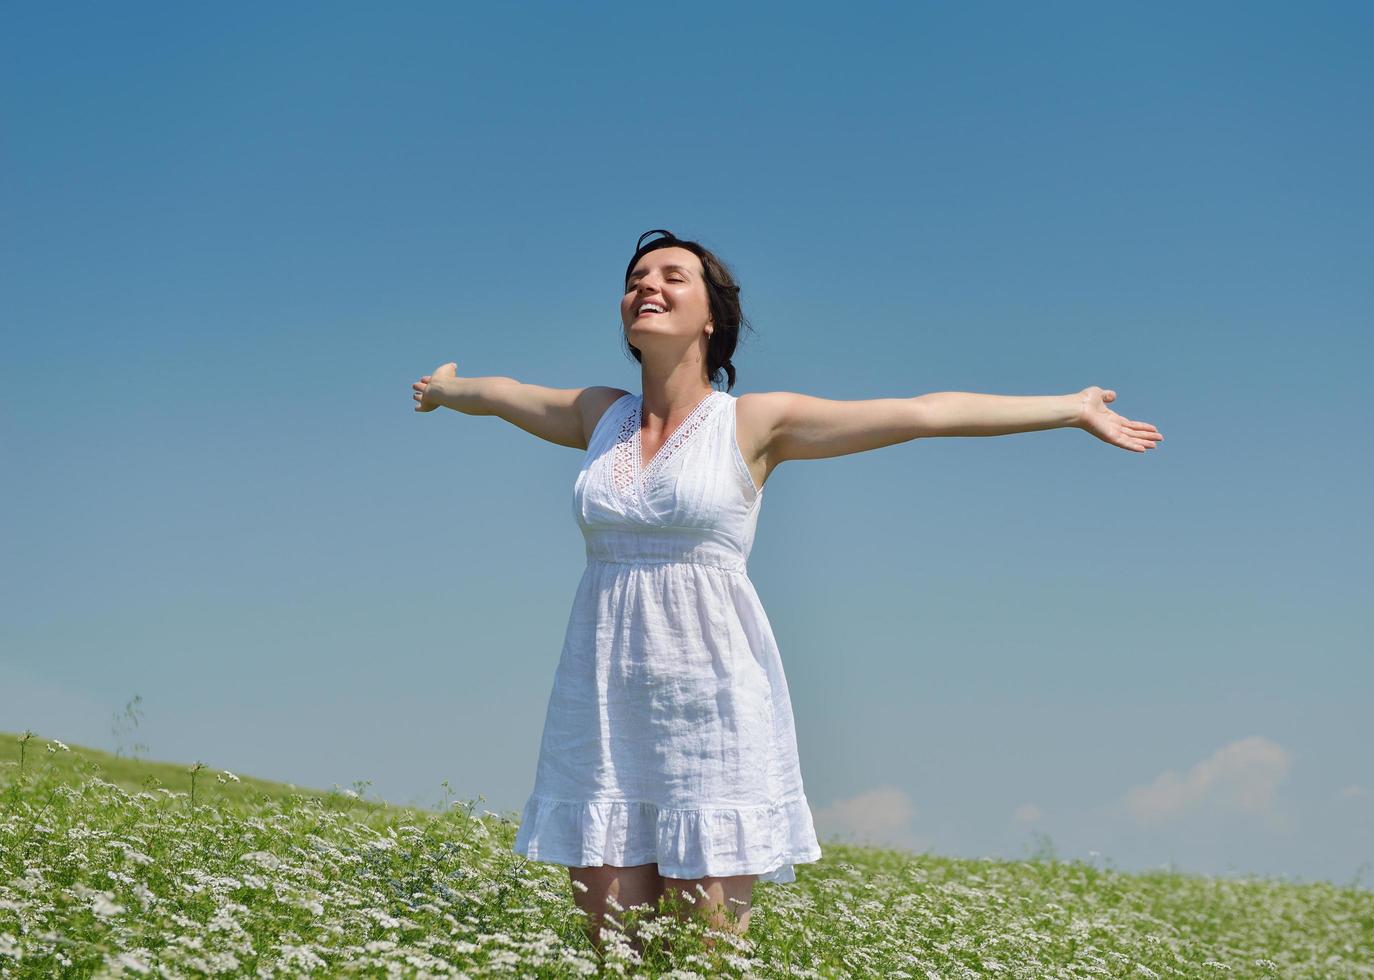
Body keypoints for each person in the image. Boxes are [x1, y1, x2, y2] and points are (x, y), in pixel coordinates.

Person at [410, 229, 1164, 959]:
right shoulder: (596, 417)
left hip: (711, 709)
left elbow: (921, 413)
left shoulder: (752, 422)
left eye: (672, 276)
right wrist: (445, 389)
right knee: (613, 955)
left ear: (711, 316)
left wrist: (1068, 407)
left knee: (706, 956)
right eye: (637, 279)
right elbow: (501, 394)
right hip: (602, 703)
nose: (648, 285)